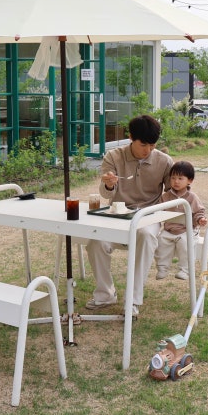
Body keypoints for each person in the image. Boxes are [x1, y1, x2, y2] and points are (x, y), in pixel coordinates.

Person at [85, 115, 173, 316]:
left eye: (152, 145)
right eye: (143, 145)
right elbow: (106, 194)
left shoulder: (164, 161)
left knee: (146, 235)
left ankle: (132, 300)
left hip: (148, 216)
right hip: (117, 213)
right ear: (131, 137)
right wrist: (108, 184)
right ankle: (105, 294)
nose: (148, 150)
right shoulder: (113, 156)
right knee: (96, 241)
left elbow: (172, 195)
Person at [154, 160, 208, 281]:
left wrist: (200, 219)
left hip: (186, 230)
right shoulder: (165, 196)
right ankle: (162, 268)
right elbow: (158, 211)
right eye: (173, 178)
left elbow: (199, 211)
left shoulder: (192, 197)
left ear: (190, 180)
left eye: (180, 178)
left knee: (186, 246)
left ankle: (185, 270)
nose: (176, 181)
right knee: (160, 243)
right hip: (169, 229)